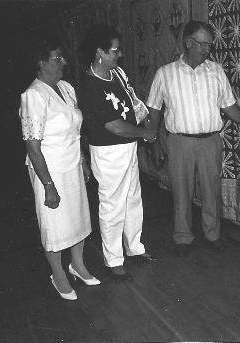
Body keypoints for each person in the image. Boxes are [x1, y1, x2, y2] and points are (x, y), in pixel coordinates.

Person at [146, 20, 240, 256]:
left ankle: (212, 233)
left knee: (211, 191)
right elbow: (153, 108)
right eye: (203, 44)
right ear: (188, 42)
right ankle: (183, 237)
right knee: (181, 191)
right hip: (179, 141)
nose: (207, 49)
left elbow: (229, 105)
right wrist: (153, 141)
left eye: (209, 45)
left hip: (211, 141)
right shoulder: (166, 73)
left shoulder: (215, 71)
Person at [19, 35, 100, 301]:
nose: (63, 62)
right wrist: (48, 186)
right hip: (49, 171)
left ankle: (77, 265)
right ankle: (58, 274)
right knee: (53, 224)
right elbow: (33, 146)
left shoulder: (66, 87)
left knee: (78, 217)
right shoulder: (33, 95)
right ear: (41, 63)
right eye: (57, 58)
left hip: (72, 165)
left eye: (62, 57)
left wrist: (83, 161)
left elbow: (76, 131)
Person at [79, 24, 157, 281]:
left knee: (133, 198)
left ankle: (134, 247)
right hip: (108, 152)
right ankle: (113, 259)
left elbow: (133, 103)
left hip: (128, 146)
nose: (119, 54)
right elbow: (113, 125)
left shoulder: (118, 73)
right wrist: (144, 134)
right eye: (115, 50)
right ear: (99, 51)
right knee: (112, 204)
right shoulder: (90, 84)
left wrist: (145, 124)